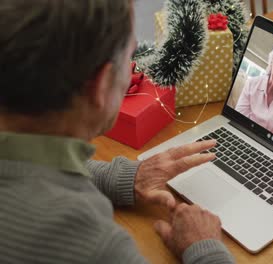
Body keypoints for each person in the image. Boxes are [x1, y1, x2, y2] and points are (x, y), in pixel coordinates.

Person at [0, 1, 234, 263]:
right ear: (100, 86)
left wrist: (123, 177)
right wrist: (205, 248)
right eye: (130, 58)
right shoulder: (95, 245)